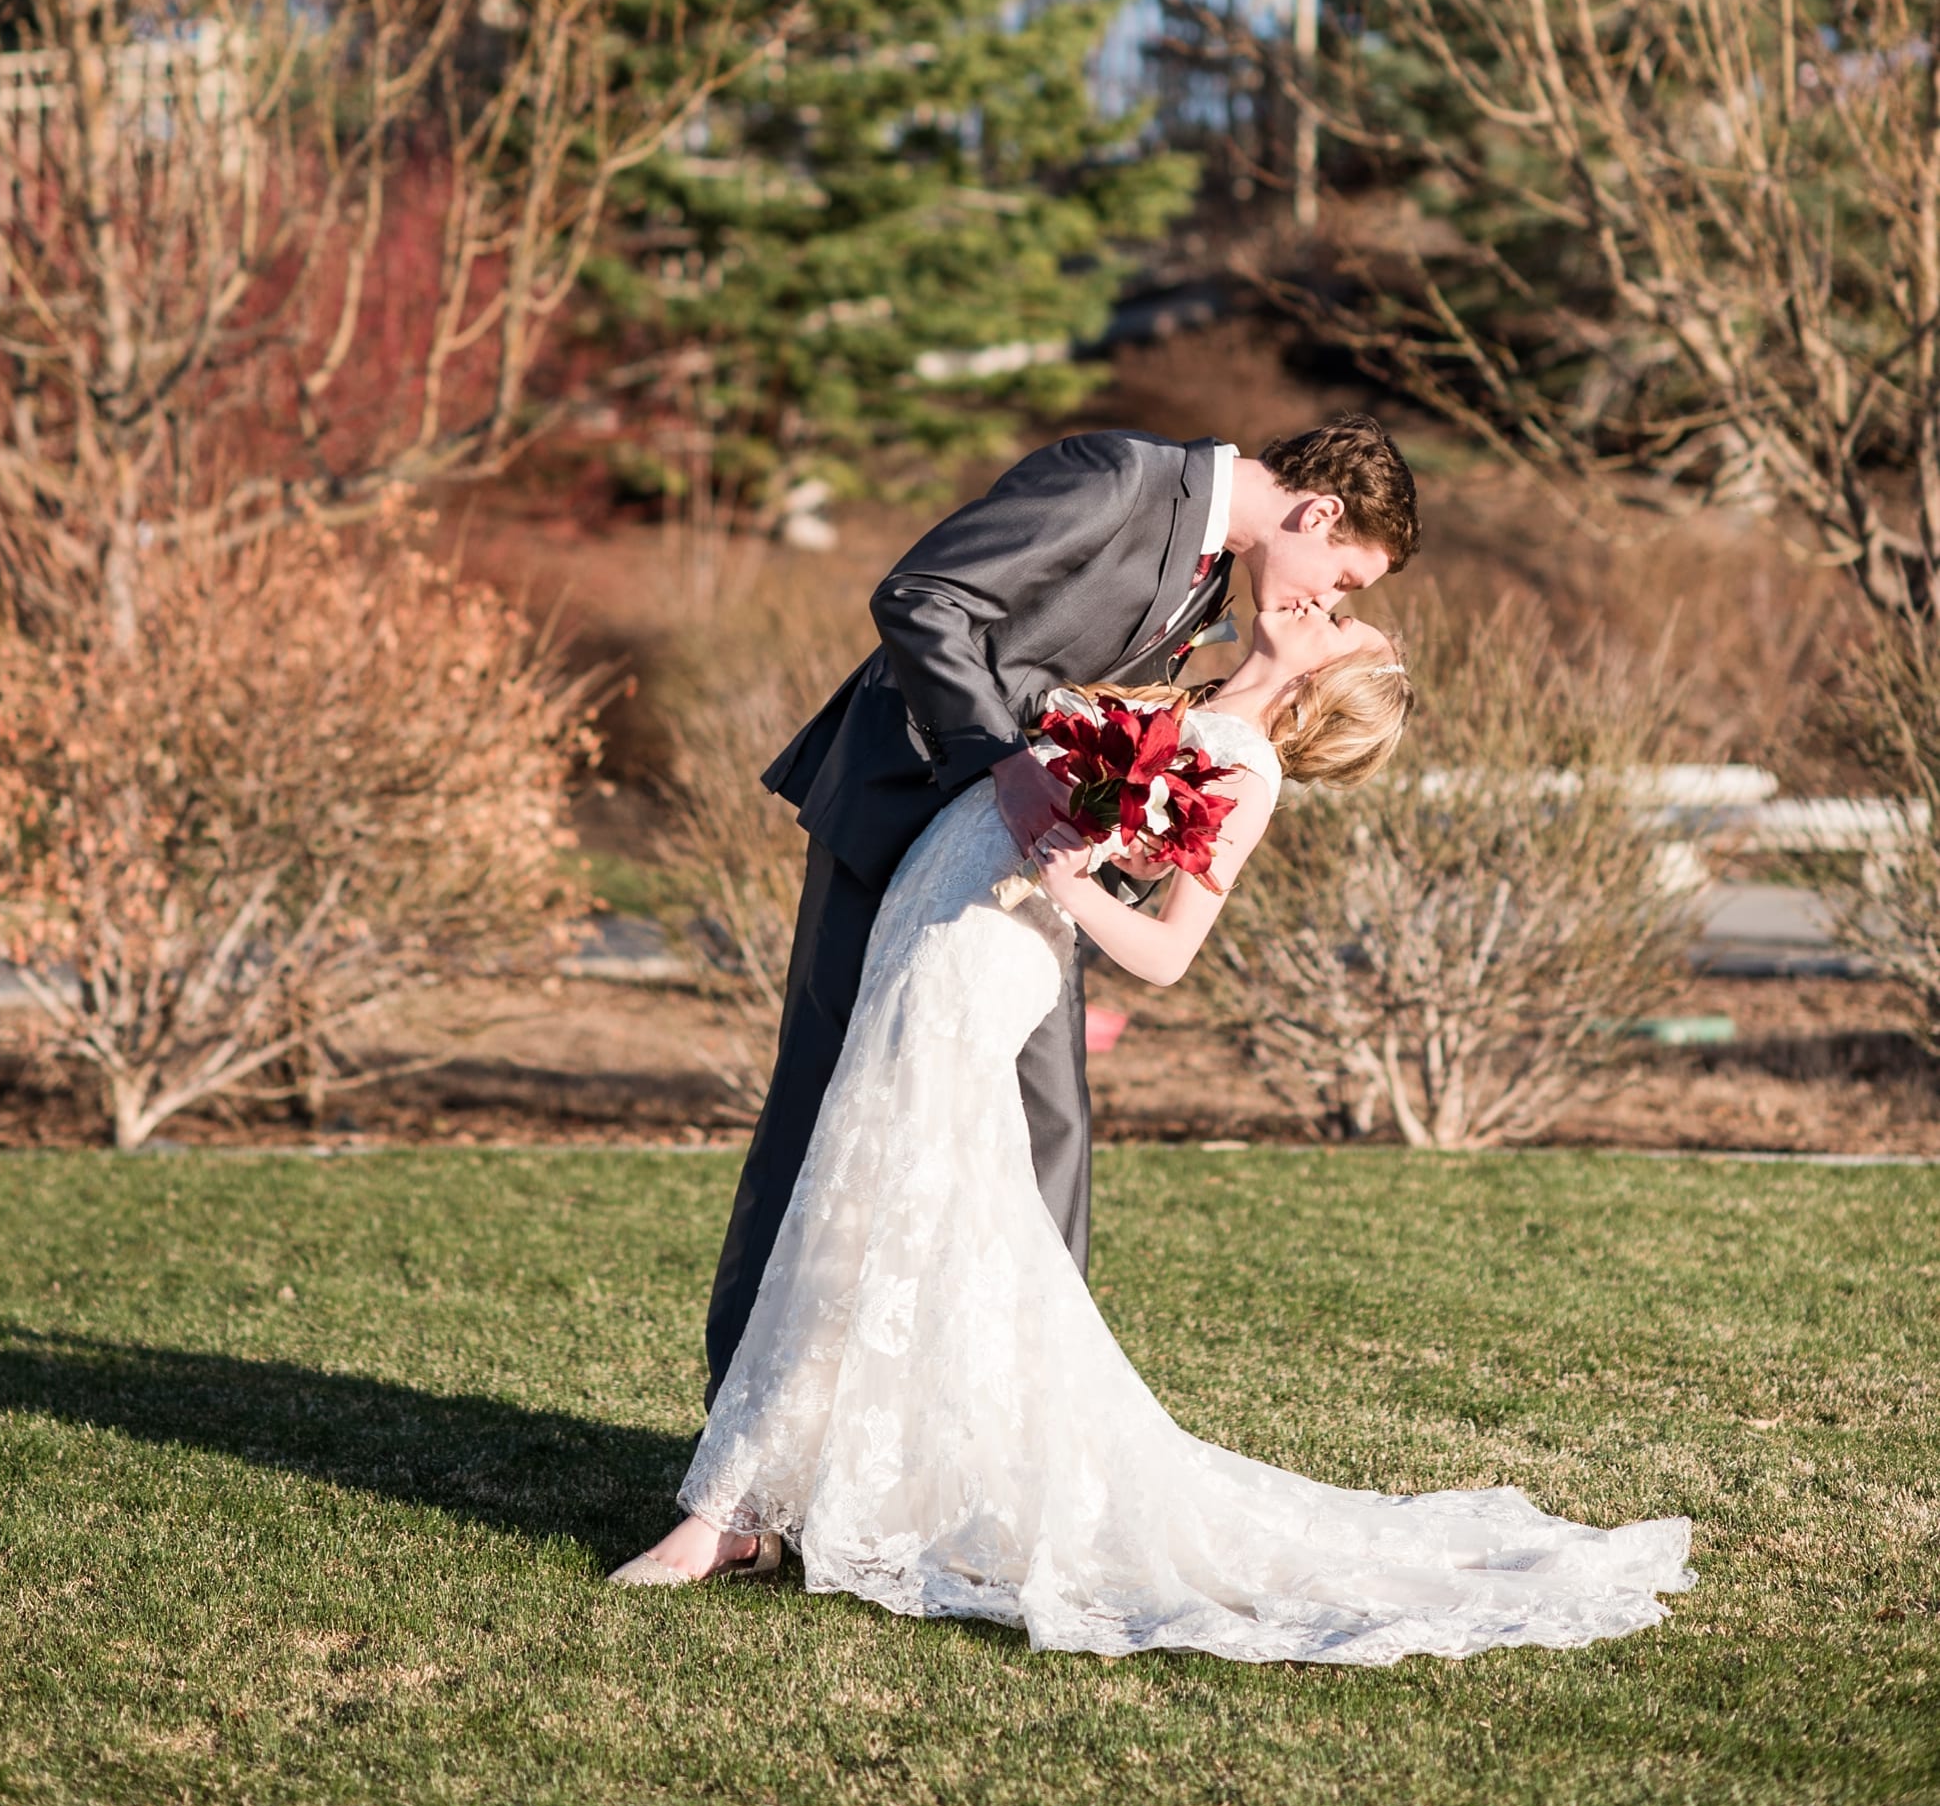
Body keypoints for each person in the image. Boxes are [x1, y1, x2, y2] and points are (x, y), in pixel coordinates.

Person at [611, 603, 1693, 1663]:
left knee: (870, 1181)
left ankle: (729, 1514)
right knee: (865, 1182)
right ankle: (823, 1484)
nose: (1325, 604)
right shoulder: (1192, 671)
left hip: (994, 941)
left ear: (1319, 685)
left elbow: (1168, 953)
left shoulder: (1250, 767)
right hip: (932, 895)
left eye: (1341, 623)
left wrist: (1070, 884)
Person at [699, 415, 1420, 1404]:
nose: (1323, 597)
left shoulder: (1223, 584)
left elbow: (1095, 703)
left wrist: (1104, 839)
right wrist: (1006, 765)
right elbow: (924, 599)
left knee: (1051, 1129)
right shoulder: (1120, 478)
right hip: (900, 805)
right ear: (1320, 509)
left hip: (1028, 879)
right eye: (1343, 580)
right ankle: (742, 1433)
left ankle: (1018, 1427)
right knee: (822, 1110)